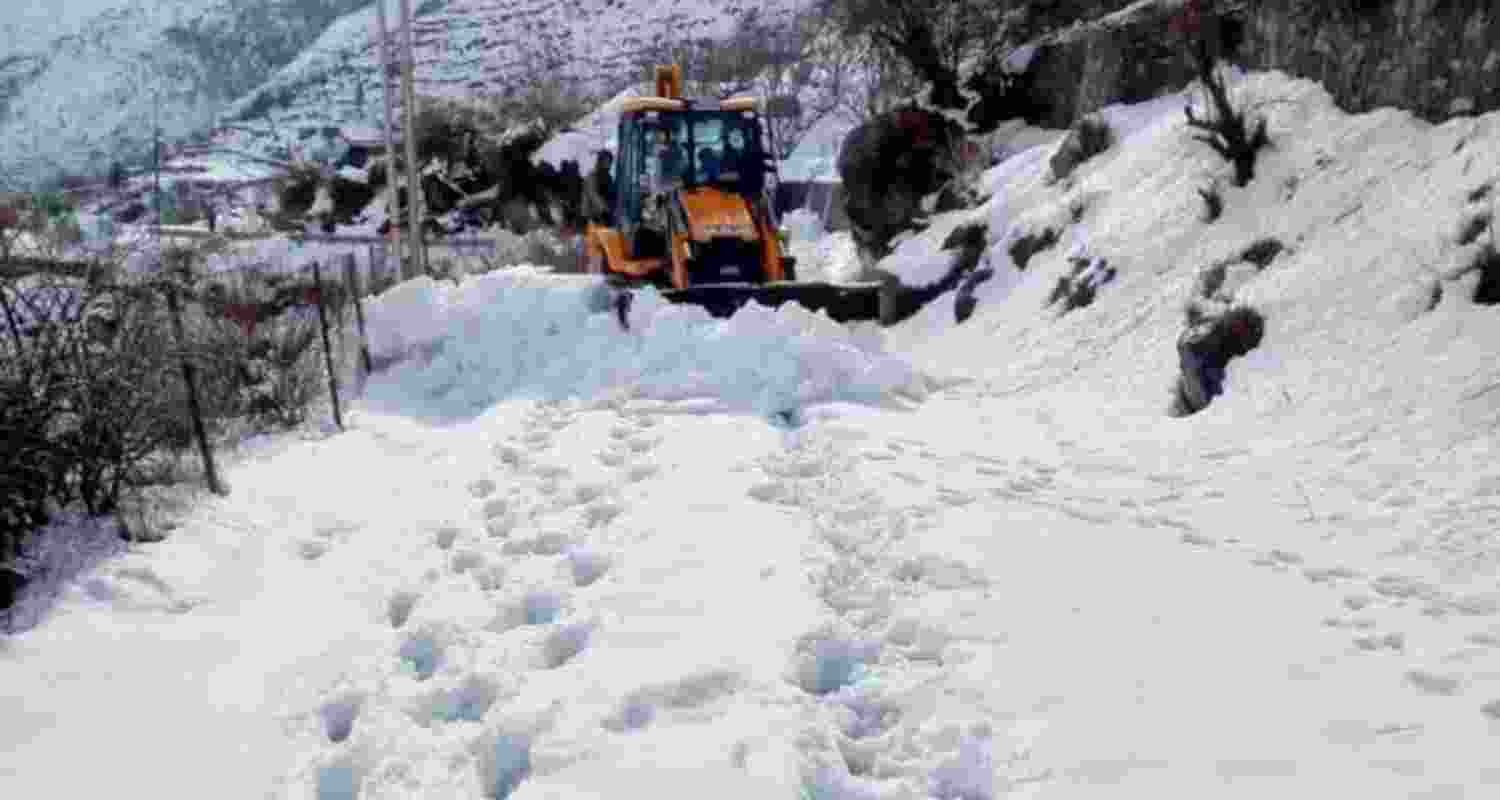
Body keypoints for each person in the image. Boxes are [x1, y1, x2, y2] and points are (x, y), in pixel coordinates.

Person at [583, 150, 614, 225]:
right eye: (606, 162)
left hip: (602, 215)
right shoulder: (592, 175)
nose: (608, 165)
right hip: (592, 215)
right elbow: (593, 194)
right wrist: (604, 209)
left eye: (610, 162)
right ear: (600, 162)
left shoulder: (608, 177)